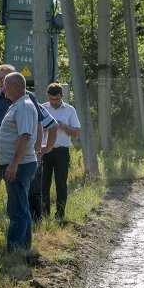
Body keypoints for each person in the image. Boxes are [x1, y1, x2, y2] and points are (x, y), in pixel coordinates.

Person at [0, 64, 57, 248]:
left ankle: (18, 248)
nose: (1, 83)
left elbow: (43, 125)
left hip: (17, 155)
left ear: (14, 82)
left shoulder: (27, 101)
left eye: (5, 79)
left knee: (18, 201)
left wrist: (40, 150)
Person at [0, 72, 38, 251]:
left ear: (14, 87)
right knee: (21, 207)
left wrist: (14, 163)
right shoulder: (17, 105)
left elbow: (25, 136)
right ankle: (24, 248)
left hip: (19, 166)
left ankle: (14, 250)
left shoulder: (24, 107)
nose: (2, 88)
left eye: (5, 85)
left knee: (16, 210)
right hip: (17, 164)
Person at [41, 83, 80, 220]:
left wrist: (62, 126)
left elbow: (75, 132)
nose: (54, 102)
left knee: (61, 184)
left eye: (57, 99)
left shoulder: (70, 110)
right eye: (51, 99)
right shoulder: (42, 108)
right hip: (45, 151)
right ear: (48, 96)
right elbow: (36, 129)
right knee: (43, 184)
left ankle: (60, 214)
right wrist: (48, 127)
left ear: (62, 96)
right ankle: (44, 214)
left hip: (62, 152)